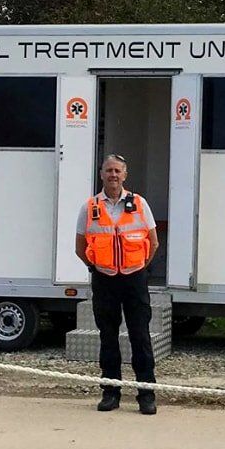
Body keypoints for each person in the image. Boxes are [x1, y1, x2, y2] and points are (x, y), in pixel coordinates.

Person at [75, 154, 160, 414]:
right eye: (108, 170)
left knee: (140, 336)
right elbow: (80, 247)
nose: (113, 175)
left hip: (134, 279)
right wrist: (95, 268)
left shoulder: (140, 204)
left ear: (125, 175)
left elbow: (153, 242)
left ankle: (146, 395)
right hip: (104, 280)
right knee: (108, 337)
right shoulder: (90, 208)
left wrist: (139, 269)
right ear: (101, 174)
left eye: (117, 171)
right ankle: (110, 393)